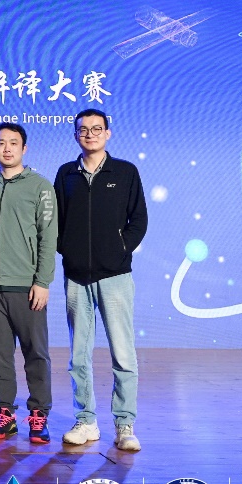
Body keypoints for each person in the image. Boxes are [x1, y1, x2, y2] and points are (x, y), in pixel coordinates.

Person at [54, 109, 148, 452]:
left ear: (108, 133)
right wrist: (69, 250)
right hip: (77, 276)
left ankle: (125, 425)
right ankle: (86, 421)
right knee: (79, 356)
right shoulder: (66, 174)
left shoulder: (125, 172)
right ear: (76, 135)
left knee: (123, 354)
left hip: (116, 275)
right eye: (83, 129)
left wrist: (119, 249)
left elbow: (139, 220)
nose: (90, 134)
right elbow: (56, 222)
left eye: (97, 129)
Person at [0, 123, 57, 444]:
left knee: (35, 353)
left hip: (27, 286)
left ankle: (38, 415)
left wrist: (42, 281)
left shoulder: (40, 186)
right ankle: (5, 413)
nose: (7, 148)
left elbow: (48, 238)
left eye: (13, 143)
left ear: (24, 148)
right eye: (1, 143)